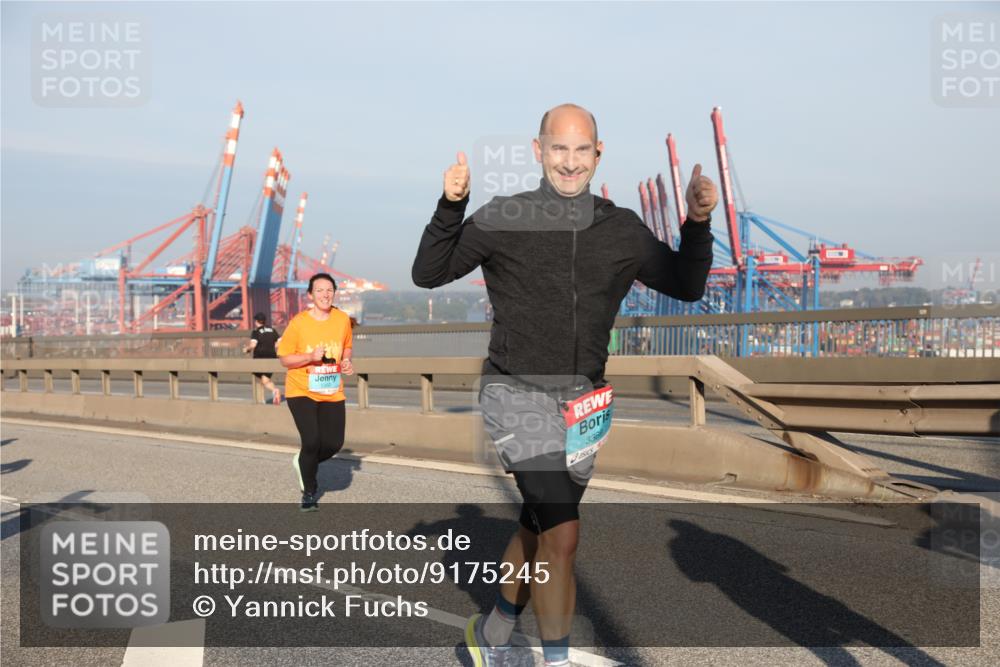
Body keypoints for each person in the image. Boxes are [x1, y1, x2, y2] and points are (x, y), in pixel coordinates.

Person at [412, 103, 718, 666]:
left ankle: (495, 629)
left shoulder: (621, 228)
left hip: (585, 404)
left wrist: (697, 224)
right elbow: (429, 273)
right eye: (559, 149)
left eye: (582, 151)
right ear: (538, 151)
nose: (570, 162)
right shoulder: (504, 216)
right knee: (565, 531)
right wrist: (451, 206)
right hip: (517, 393)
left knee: (539, 524)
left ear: (598, 155)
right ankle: (556, 659)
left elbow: (687, 284)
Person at [277, 273, 355, 511]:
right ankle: (309, 493)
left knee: (333, 443)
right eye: (319, 290)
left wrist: (346, 362)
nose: (325, 294)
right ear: (310, 295)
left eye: (329, 290)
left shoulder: (342, 319)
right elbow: (285, 359)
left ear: (334, 293)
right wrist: (310, 357)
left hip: (331, 390)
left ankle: (303, 462)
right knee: (311, 441)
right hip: (302, 390)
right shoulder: (299, 323)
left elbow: (347, 346)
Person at [243, 312, 282, 404]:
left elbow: (253, 345)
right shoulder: (273, 330)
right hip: (272, 357)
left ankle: (261, 400)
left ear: (256, 321)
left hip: (259, 358)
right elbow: (280, 342)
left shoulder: (255, 332)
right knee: (265, 380)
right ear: (264, 321)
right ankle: (274, 391)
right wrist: (273, 347)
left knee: (259, 379)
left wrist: (246, 349)